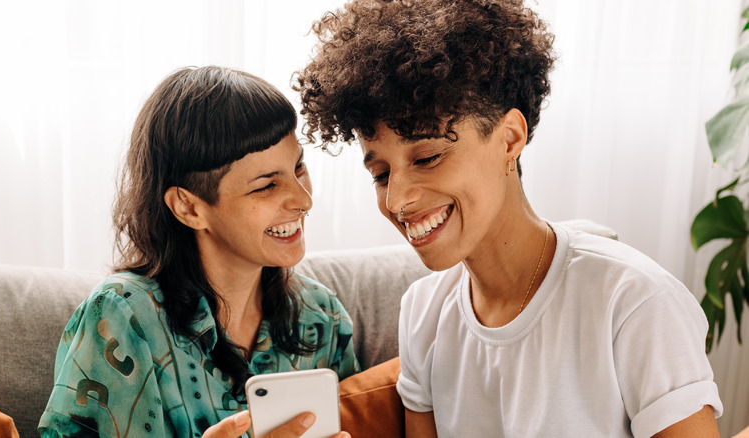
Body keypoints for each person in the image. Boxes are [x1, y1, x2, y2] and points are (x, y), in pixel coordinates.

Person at [294, 0, 722, 436]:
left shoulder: (633, 303)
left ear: (509, 139)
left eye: (427, 157)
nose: (398, 201)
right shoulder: (422, 312)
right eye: (381, 174)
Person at [38, 66, 357, 438]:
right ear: (189, 207)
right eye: (267, 185)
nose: (304, 200)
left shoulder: (322, 315)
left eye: (298, 167)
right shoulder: (124, 315)